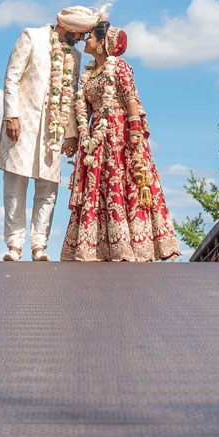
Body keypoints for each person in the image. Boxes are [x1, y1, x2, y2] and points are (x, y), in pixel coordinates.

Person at [59, 16, 182, 262]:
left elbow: (132, 99)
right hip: (96, 139)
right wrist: (79, 136)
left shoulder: (121, 67)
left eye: (91, 36)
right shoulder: (90, 74)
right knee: (98, 188)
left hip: (121, 136)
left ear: (103, 43)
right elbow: (82, 109)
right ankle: (98, 247)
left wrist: (135, 132)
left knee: (123, 184)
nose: (86, 39)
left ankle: (129, 246)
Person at [0, 4, 98, 260]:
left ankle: (39, 245)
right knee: (15, 185)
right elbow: (12, 77)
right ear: (68, 27)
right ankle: (14, 245)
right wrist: (11, 115)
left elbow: (72, 94)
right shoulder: (32, 36)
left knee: (48, 188)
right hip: (22, 122)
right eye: (81, 33)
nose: (83, 39)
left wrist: (71, 133)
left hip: (54, 128)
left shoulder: (74, 56)